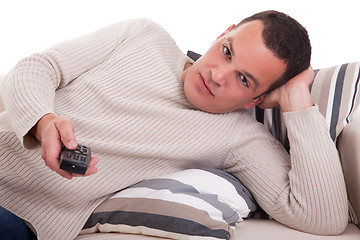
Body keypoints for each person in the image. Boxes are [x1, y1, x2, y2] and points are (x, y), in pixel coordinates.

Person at [0, 10, 348, 240]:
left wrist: (298, 99)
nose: (217, 74)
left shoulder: (238, 136)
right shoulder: (142, 35)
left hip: (18, 217)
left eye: (243, 79)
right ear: (223, 32)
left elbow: (325, 217)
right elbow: (36, 68)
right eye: (227, 52)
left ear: (256, 99)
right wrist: (44, 123)